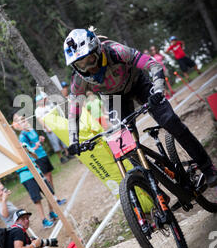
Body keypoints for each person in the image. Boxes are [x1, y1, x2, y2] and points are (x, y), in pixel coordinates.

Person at [63, 28, 217, 187]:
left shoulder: (116, 52)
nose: (88, 67)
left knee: (170, 120)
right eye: (80, 64)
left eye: (89, 60)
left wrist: (158, 88)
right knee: (123, 145)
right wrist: (73, 140)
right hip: (114, 98)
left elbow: (153, 64)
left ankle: (207, 167)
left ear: (98, 51)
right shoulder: (79, 81)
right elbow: (74, 111)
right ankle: (153, 191)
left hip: (137, 83)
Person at [12, 114, 66, 228]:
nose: (24, 121)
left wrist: (33, 148)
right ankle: (43, 220)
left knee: (48, 190)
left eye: (24, 119)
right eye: (21, 120)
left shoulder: (25, 138)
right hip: (27, 174)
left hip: (36, 167)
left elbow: (33, 154)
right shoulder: (21, 138)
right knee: (37, 199)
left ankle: (52, 211)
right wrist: (32, 148)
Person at [35, 93, 69, 164]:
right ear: (38, 102)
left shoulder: (48, 106)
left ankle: (68, 154)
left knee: (63, 140)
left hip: (56, 126)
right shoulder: (37, 110)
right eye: (40, 100)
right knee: (55, 144)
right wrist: (47, 128)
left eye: (42, 99)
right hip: (50, 129)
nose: (42, 100)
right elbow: (40, 120)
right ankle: (61, 158)